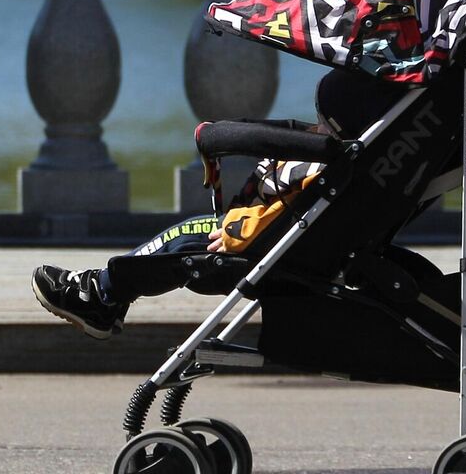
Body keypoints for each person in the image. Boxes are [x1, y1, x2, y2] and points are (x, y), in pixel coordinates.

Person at [31, 68, 400, 338]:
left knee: (187, 240)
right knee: (189, 238)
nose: (315, 127)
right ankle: (108, 293)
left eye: (323, 124)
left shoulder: (327, 164)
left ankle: (103, 293)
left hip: (262, 246)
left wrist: (239, 231)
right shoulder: (367, 163)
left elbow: (286, 212)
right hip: (299, 244)